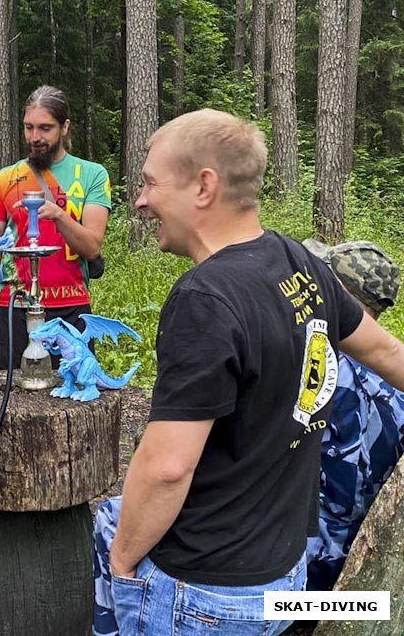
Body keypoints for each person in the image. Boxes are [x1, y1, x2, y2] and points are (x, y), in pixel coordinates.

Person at [92, 109, 404, 636]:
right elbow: (389, 355)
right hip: (283, 578)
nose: (141, 201)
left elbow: (166, 468)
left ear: (203, 186)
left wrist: (122, 565)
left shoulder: (204, 300)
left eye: (148, 183)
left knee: (109, 527)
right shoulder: (295, 259)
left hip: (206, 592)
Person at [0, 85, 111, 371]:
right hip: (15, 307)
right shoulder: (3, 180)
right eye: (29, 127)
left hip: (70, 307)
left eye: (45, 128)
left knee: (72, 397)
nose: (35, 137)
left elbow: (91, 246)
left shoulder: (91, 174)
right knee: (8, 396)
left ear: (65, 127)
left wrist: (59, 216)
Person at [302, 239, 404, 591]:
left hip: (296, 579)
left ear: (340, 294)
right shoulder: (394, 386)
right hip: (349, 579)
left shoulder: (316, 368)